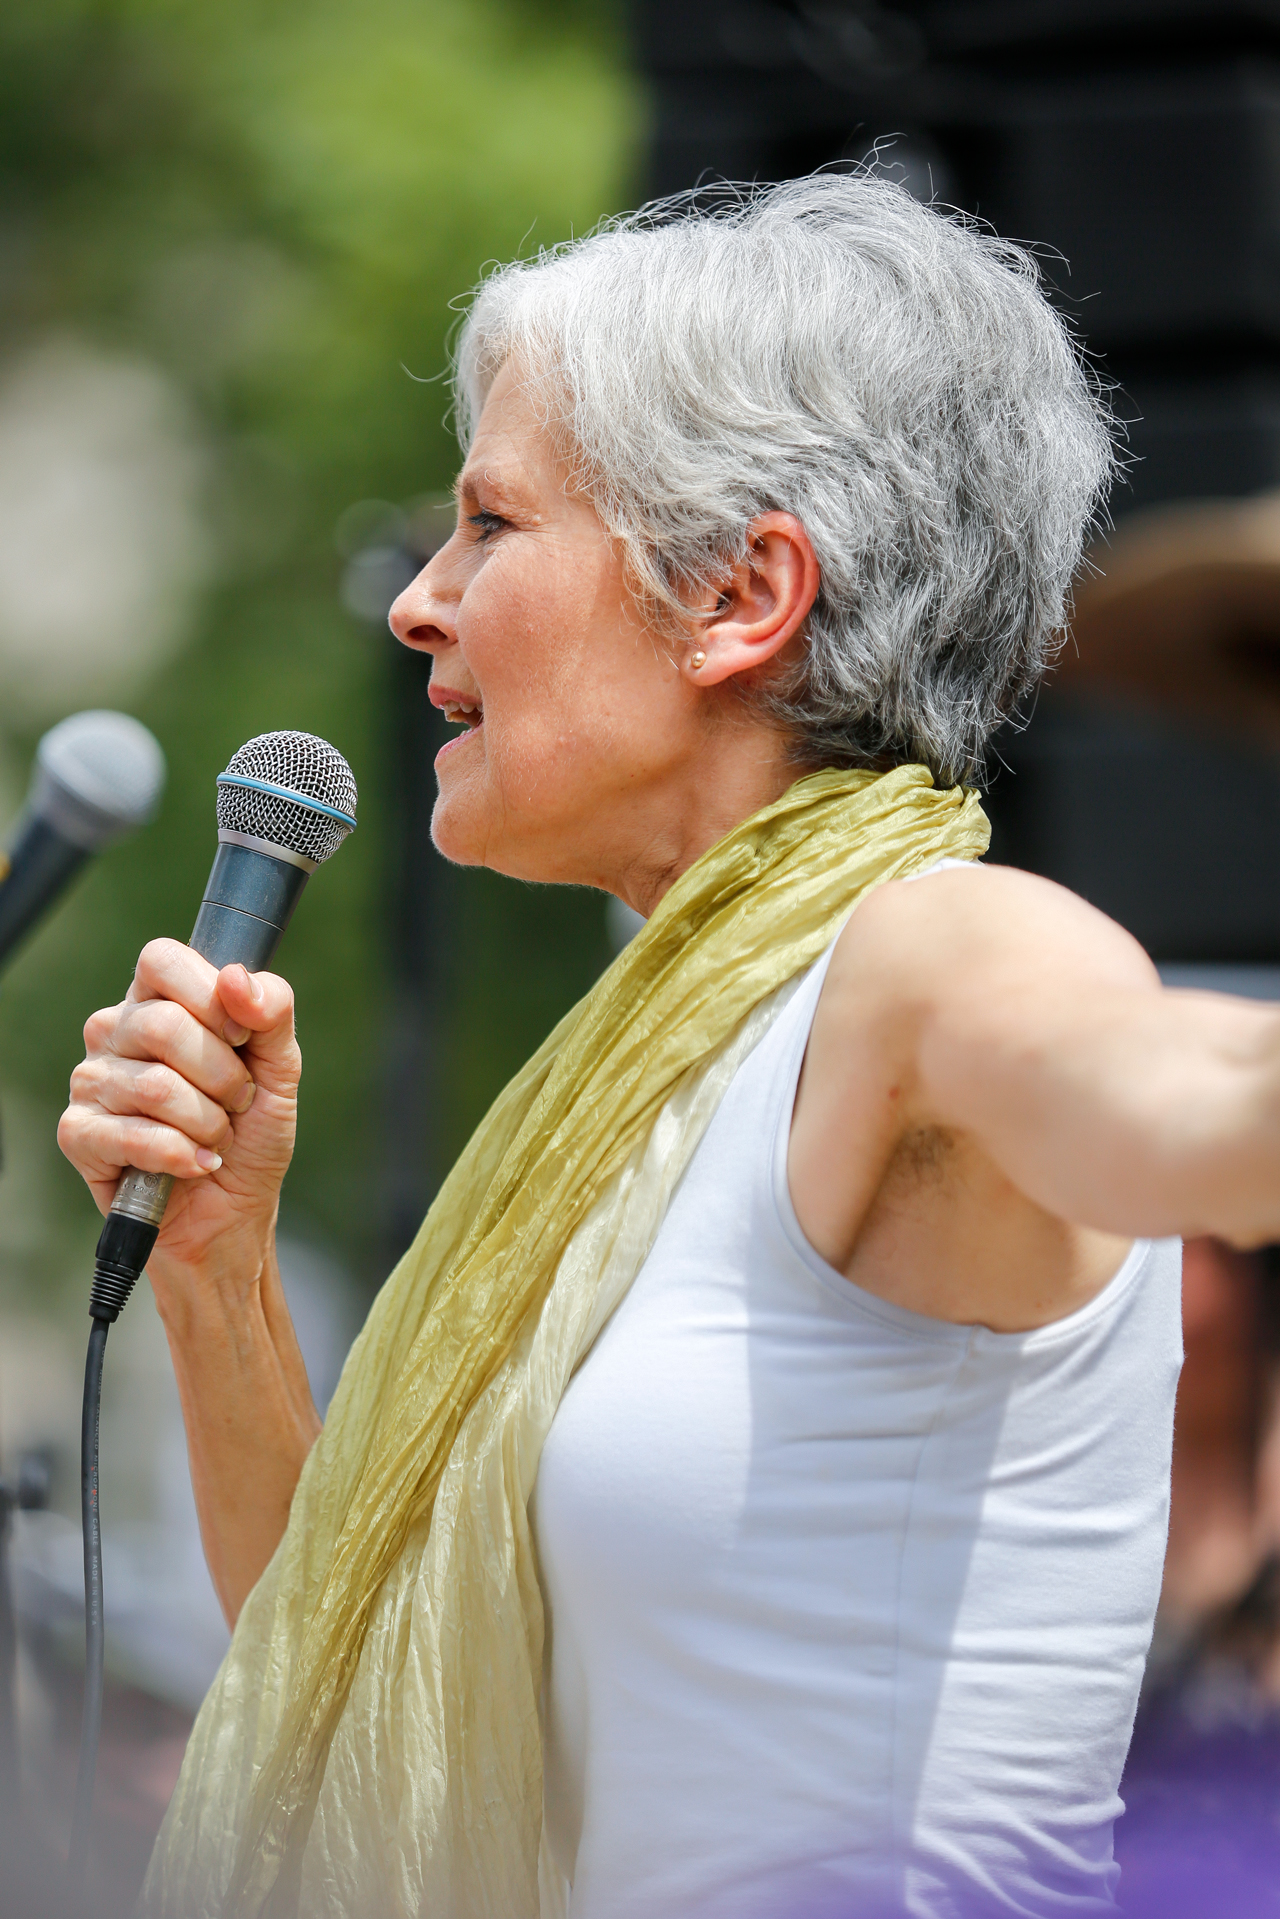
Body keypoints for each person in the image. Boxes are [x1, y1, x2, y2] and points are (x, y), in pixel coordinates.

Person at [56, 175, 1280, 1919]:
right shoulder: (643, 1066)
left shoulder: (940, 953)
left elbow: (1205, 1106)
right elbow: (346, 1693)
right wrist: (215, 1270)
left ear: (741, 594)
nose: (420, 602)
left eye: (491, 523)